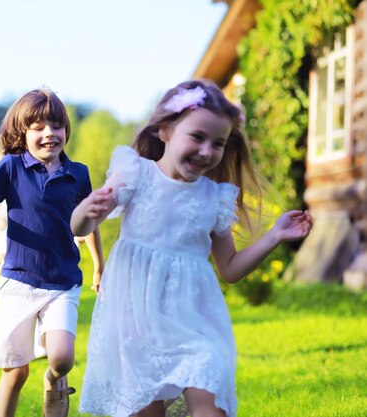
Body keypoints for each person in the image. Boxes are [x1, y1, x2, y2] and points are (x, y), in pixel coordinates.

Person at [70, 79, 312, 417]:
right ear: (165, 131)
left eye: (218, 143)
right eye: (197, 137)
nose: (206, 151)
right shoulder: (136, 173)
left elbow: (228, 268)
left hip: (195, 319)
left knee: (210, 401)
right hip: (137, 319)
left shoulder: (214, 198)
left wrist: (274, 236)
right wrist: (86, 212)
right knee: (146, 411)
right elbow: (80, 227)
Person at [0, 88, 104, 417]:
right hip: (19, 283)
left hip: (63, 282)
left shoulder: (78, 174)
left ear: (66, 130)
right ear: (23, 133)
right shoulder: (10, 167)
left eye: (56, 125)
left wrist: (99, 266)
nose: (49, 133)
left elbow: (89, 222)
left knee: (62, 359)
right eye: (38, 127)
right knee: (16, 371)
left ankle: (54, 381)